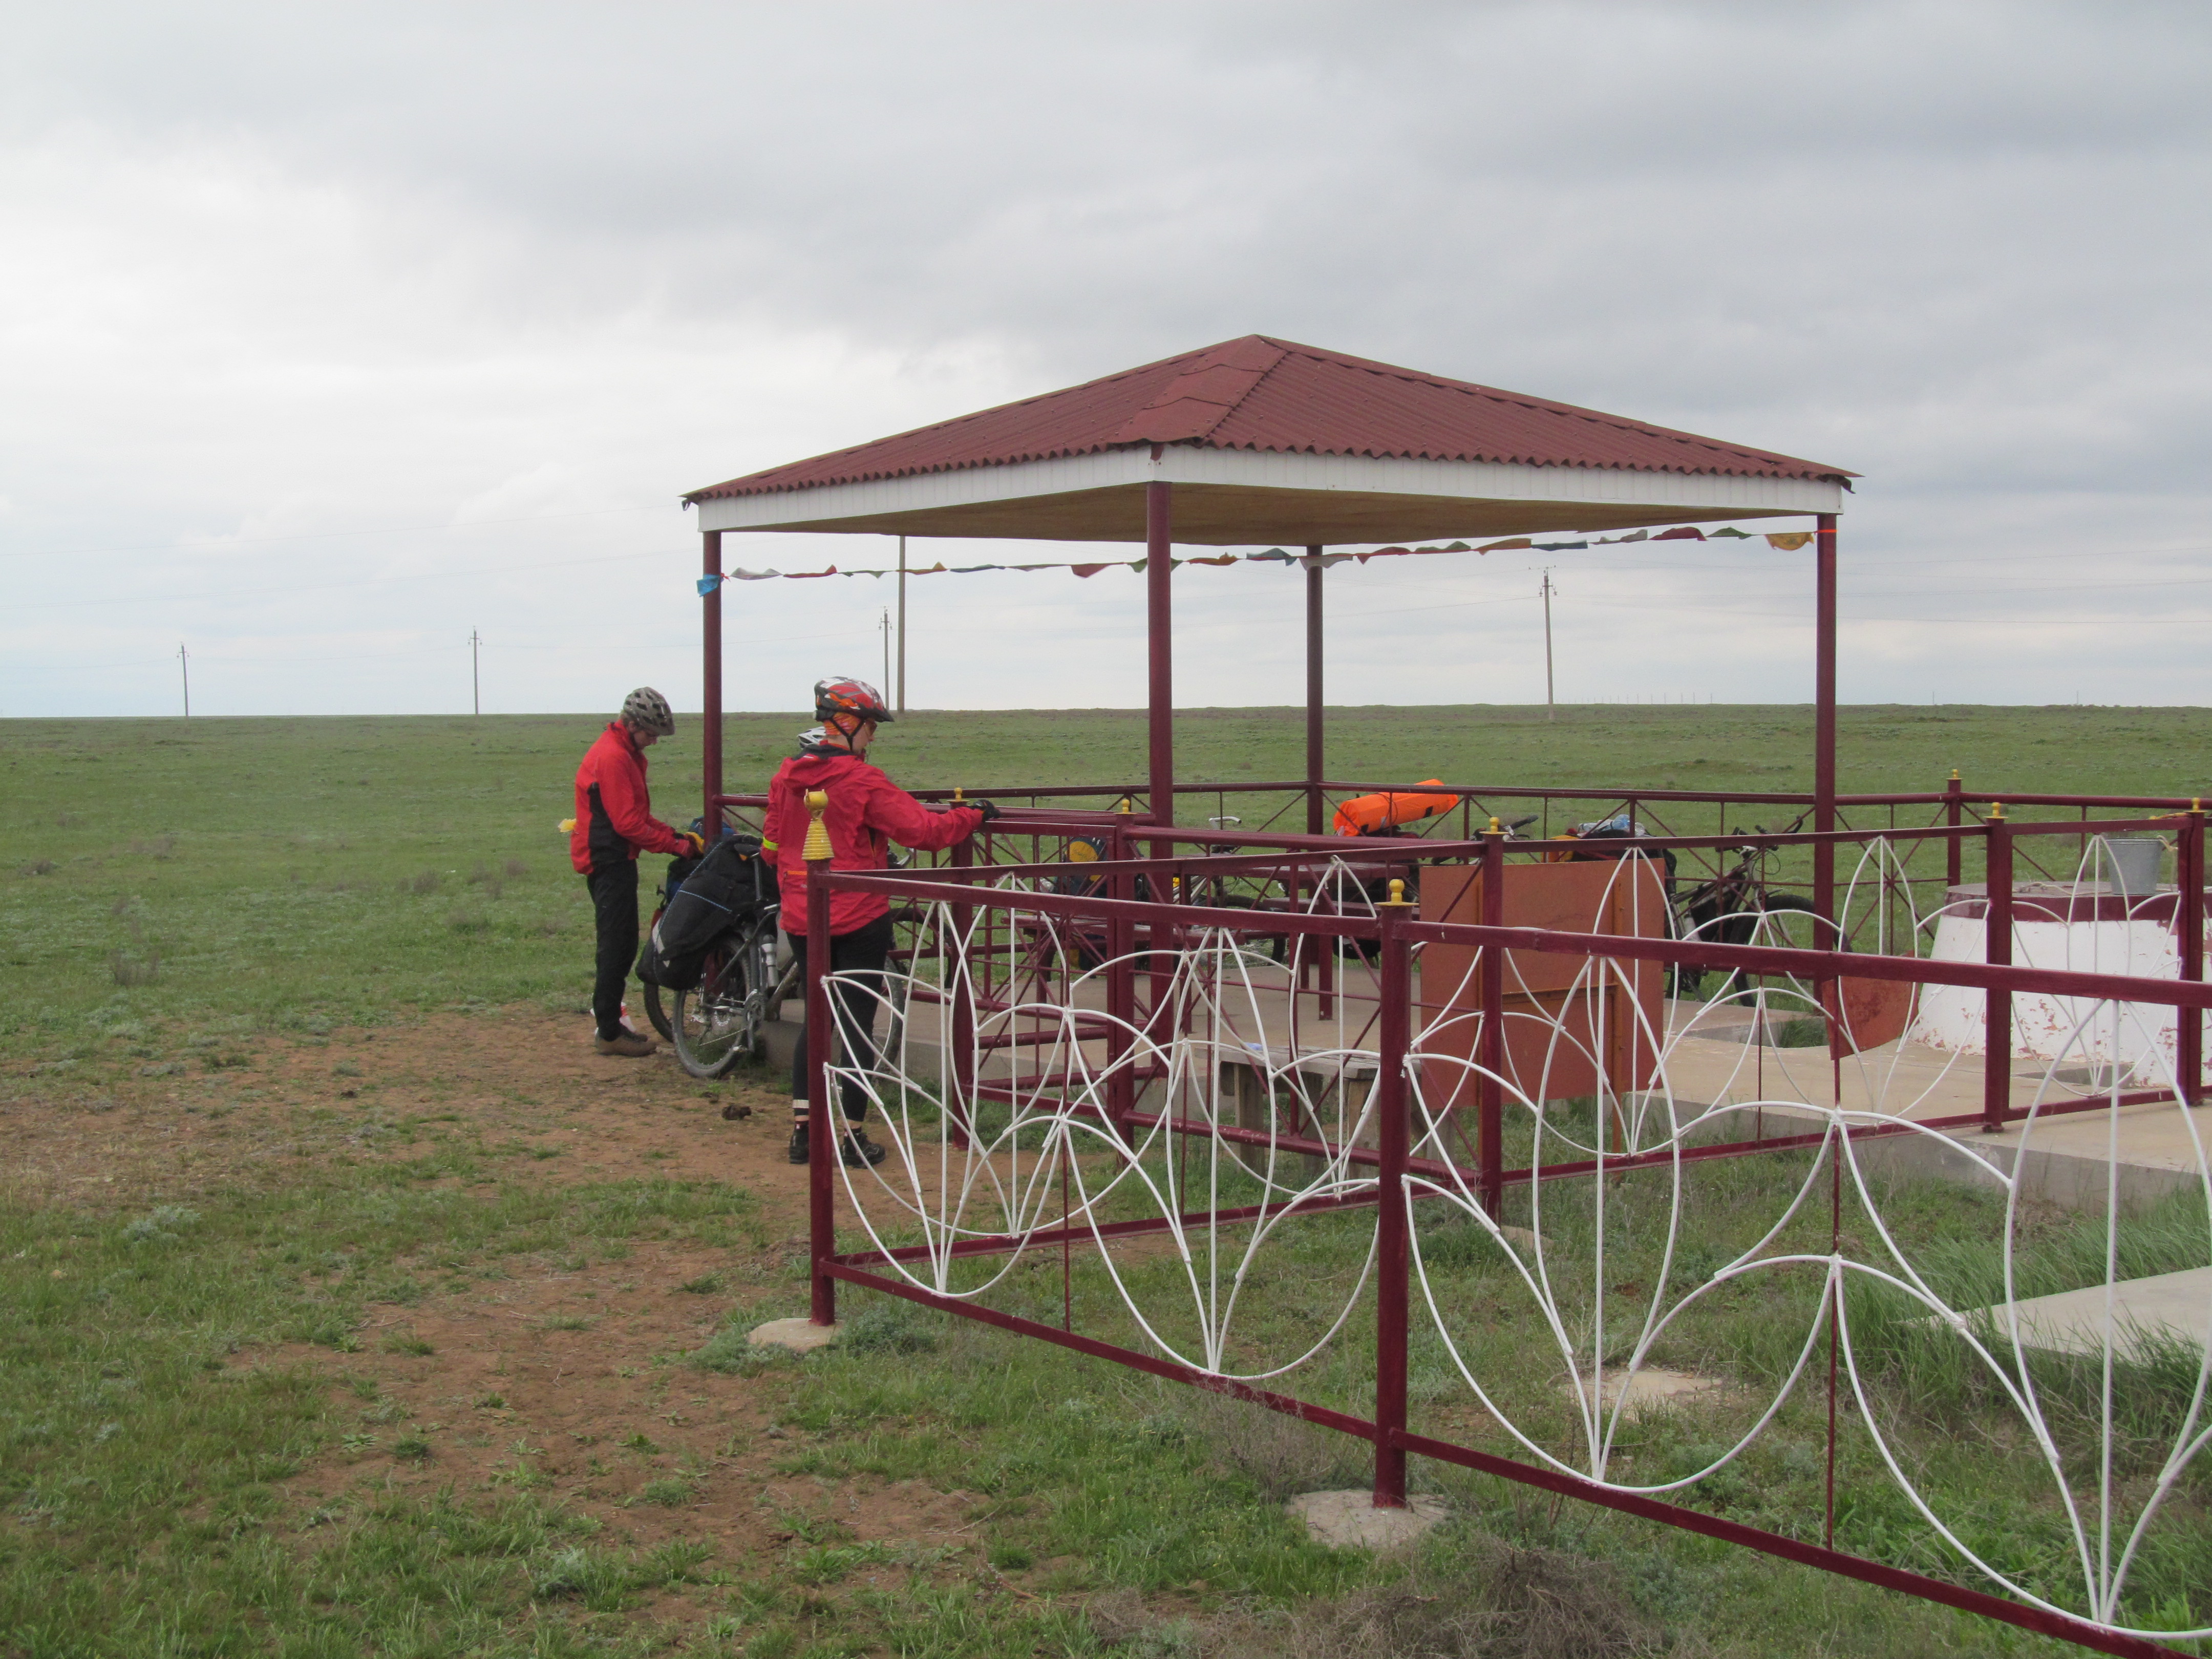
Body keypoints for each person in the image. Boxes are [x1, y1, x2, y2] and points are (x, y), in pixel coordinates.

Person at [764, 676, 994, 1166]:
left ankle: (804, 1134)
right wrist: (972, 816)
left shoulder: (786, 777)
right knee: (856, 1024)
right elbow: (923, 831)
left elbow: (771, 844)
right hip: (858, 916)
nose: (874, 735)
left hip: (803, 915)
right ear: (848, 724)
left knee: (817, 1019)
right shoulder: (862, 780)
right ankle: (851, 1138)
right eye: (871, 726)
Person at [570, 688, 703, 1056]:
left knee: (623, 942)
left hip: (616, 857)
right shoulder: (614, 757)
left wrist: (675, 836)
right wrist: (676, 846)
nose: (654, 741)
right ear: (631, 725)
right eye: (650, 733)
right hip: (607, 860)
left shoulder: (627, 754)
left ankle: (611, 1027)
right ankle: (609, 1033)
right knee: (616, 946)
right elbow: (628, 823)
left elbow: (638, 816)